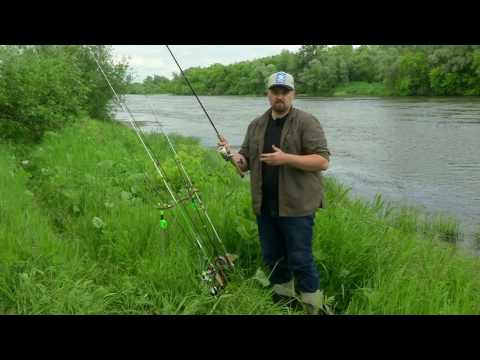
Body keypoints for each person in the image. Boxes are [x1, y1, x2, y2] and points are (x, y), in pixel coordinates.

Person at [218, 72, 331, 314]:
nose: (280, 96)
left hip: (297, 207)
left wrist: (286, 158)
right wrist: (231, 155)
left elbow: (322, 161)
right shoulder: (256, 125)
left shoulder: (307, 122)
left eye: (285, 91)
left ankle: (314, 308)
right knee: (274, 259)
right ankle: (285, 305)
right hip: (265, 206)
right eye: (275, 91)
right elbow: (245, 162)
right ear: (267, 94)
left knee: (300, 260)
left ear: (293, 94)